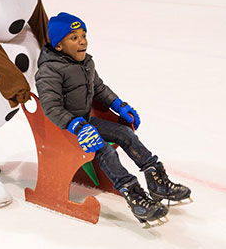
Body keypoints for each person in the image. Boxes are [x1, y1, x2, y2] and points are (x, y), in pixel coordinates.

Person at [35, 12, 191, 225]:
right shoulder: (49, 71)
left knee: (125, 133)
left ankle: (156, 180)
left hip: (85, 122)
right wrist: (76, 126)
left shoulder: (86, 63)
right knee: (102, 148)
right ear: (59, 46)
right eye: (73, 37)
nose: (82, 41)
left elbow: (98, 88)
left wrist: (119, 105)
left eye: (83, 35)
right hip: (66, 129)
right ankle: (133, 193)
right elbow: (51, 107)